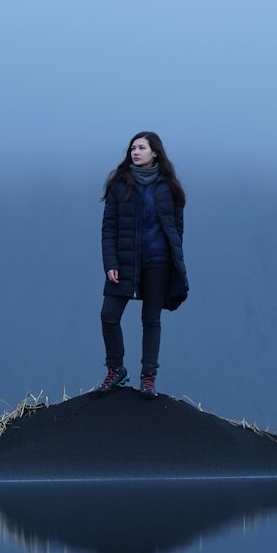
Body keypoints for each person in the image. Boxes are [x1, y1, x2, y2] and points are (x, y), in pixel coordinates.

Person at [96, 131, 188, 399]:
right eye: (133, 148)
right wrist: (110, 262)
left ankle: (148, 378)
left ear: (155, 152)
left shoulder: (168, 186)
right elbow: (108, 227)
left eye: (142, 148)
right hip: (124, 263)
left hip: (158, 263)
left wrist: (174, 260)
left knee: (151, 319)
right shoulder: (120, 184)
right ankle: (116, 371)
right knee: (108, 315)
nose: (136, 152)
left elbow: (176, 228)